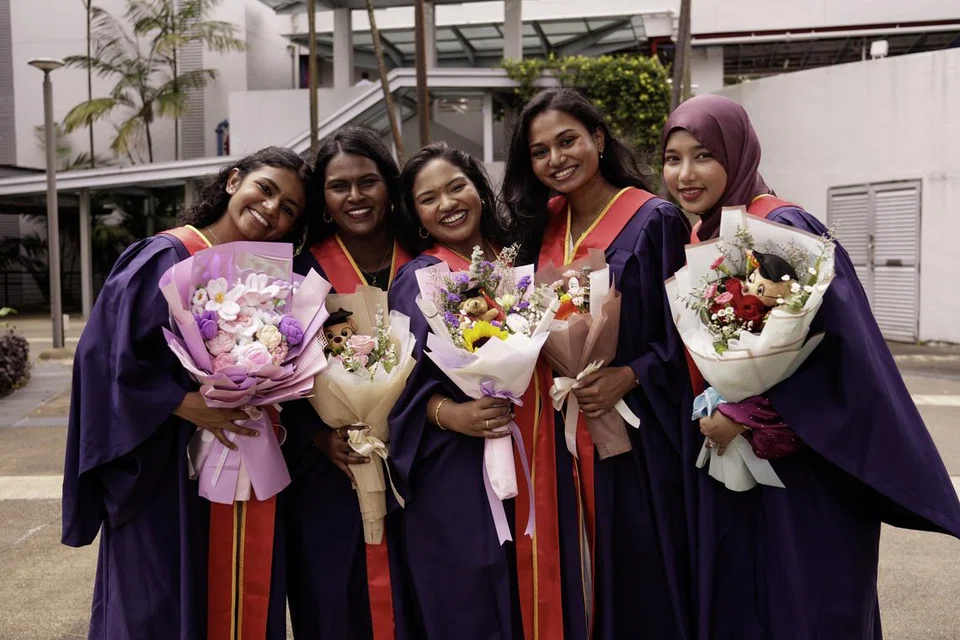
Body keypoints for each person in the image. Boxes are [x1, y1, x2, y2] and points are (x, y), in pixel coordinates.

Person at [661, 93, 960, 639]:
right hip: (732, 460)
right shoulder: (706, 235)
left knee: (806, 600)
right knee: (744, 598)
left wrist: (749, 414)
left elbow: (840, 350)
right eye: (672, 158)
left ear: (738, 152)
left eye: (703, 155)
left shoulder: (781, 226)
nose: (685, 174)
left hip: (806, 464)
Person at [62, 147, 313, 640]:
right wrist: (181, 403)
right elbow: (104, 359)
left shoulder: (269, 280)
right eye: (265, 189)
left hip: (240, 466)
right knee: (159, 605)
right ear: (233, 180)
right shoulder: (166, 255)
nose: (271, 209)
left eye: (288, 208)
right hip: (162, 470)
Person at [501, 87, 694, 639]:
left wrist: (630, 375)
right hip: (556, 432)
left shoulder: (653, 219)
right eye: (540, 151)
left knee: (637, 561)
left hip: (640, 432)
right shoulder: (538, 226)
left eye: (568, 141)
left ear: (599, 139)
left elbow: (688, 333)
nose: (556, 159)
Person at [387, 143, 525, 639]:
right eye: (429, 198)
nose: (447, 203)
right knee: (469, 596)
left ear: (479, 191)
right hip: (453, 465)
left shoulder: (518, 262)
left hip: (532, 451)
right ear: (417, 216)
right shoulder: (418, 280)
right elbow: (396, 392)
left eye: (456, 187)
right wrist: (452, 414)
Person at [280, 126, 412, 640]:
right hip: (332, 469)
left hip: (421, 460)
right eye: (339, 186)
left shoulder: (425, 257)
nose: (355, 196)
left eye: (367, 181)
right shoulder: (302, 269)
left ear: (389, 185)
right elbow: (276, 374)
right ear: (324, 198)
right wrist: (317, 436)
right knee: (334, 599)